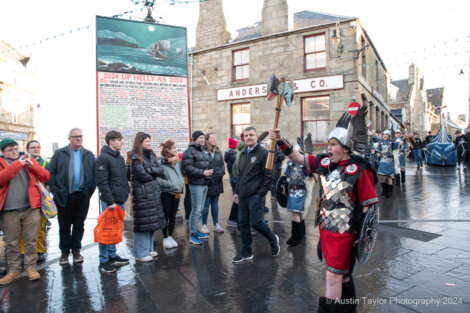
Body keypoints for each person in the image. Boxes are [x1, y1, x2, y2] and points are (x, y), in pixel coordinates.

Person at [269, 115, 378, 313]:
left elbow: (368, 208)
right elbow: (299, 158)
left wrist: (360, 240)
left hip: (345, 233)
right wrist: (280, 140)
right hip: (326, 229)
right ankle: (348, 309)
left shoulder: (360, 170)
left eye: (334, 144)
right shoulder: (325, 163)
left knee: (332, 276)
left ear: (345, 148)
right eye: (328, 144)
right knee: (342, 275)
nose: (328, 148)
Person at [0, 138, 50, 285]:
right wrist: (18, 164)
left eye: (15, 149)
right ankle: (14, 270)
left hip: (31, 208)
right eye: (10, 150)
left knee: (31, 240)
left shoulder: (28, 159)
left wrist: (32, 166)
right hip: (9, 210)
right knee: (12, 242)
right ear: (3, 152)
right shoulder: (3, 162)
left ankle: (31, 268)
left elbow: (46, 176)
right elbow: (1, 179)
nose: (14, 152)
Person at [232, 126, 280, 263]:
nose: (248, 138)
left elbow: (270, 175)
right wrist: (236, 192)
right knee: (242, 224)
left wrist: (261, 193)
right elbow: (240, 175)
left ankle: (273, 239)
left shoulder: (264, 153)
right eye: (246, 136)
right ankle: (247, 252)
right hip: (242, 195)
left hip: (256, 194)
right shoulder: (242, 154)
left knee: (257, 222)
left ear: (256, 136)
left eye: (251, 135)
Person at [49, 128, 96, 265]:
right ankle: (64, 252)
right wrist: (55, 191)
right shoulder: (59, 153)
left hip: (82, 195)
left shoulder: (88, 154)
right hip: (64, 196)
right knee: (64, 225)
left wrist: (89, 190)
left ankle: (76, 250)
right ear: (69, 138)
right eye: (75, 137)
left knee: (79, 225)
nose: (79, 139)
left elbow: (93, 175)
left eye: (81, 136)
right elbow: (51, 172)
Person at [95, 131, 130, 273]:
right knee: (106, 231)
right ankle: (103, 261)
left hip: (120, 199)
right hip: (110, 202)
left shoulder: (119, 158)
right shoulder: (103, 158)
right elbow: (102, 182)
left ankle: (112, 255)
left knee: (114, 230)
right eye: (118, 140)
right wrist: (110, 201)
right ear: (111, 141)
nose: (121, 142)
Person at [127, 132, 166, 262]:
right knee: (143, 224)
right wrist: (153, 172)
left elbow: (161, 170)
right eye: (147, 141)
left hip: (152, 193)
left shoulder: (150, 154)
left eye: (149, 141)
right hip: (142, 194)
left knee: (151, 223)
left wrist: (151, 170)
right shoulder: (135, 156)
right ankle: (140, 253)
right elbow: (142, 175)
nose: (149, 144)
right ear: (140, 142)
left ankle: (148, 249)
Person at [19, 140, 50, 262]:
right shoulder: (22, 162)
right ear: (28, 149)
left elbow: (48, 182)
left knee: (41, 227)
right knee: (23, 227)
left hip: (40, 200)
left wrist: (46, 197)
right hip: (24, 199)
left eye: (38, 147)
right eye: (33, 147)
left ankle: (40, 250)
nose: (36, 149)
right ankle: (23, 252)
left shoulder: (45, 164)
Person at [182, 131, 213, 245]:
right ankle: (192, 234)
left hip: (204, 183)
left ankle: (196, 230)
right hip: (196, 184)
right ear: (194, 139)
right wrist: (203, 172)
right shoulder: (189, 152)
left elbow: (208, 163)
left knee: (199, 209)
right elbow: (188, 168)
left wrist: (209, 171)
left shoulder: (203, 150)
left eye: (203, 138)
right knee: (196, 209)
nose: (202, 140)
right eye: (200, 138)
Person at [157, 140, 184, 249]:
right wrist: (168, 184)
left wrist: (180, 183)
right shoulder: (160, 162)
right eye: (173, 148)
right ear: (167, 149)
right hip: (166, 192)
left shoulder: (178, 162)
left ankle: (170, 236)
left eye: (175, 148)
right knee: (166, 215)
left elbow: (181, 174)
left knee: (173, 215)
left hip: (176, 191)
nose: (175, 150)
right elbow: (157, 179)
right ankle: (165, 237)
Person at [201, 133, 225, 234]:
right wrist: (208, 174)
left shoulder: (219, 152)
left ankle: (216, 224)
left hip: (217, 182)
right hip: (207, 183)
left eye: (215, 137)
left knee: (215, 204)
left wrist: (219, 172)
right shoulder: (203, 152)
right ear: (207, 140)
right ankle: (204, 225)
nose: (214, 139)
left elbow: (222, 166)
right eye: (212, 137)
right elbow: (202, 167)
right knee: (206, 205)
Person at [283, 153, 307, 247]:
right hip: (292, 190)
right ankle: (301, 232)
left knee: (296, 212)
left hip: (300, 190)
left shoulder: (305, 164)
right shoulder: (290, 164)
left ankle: (296, 237)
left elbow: (310, 176)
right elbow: (287, 177)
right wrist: (284, 188)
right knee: (297, 212)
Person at [376, 130, 395, 198]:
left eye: (386, 134)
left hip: (390, 160)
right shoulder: (380, 142)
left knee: (389, 176)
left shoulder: (392, 142)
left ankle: (390, 192)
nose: (385, 135)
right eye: (384, 134)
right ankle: (384, 190)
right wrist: (378, 153)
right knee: (380, 175)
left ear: (389, 136)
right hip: (382, 160)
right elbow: (378, 149)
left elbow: (396, 149)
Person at [224, 138, 238, 228]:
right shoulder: (234, 155)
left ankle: (233, 219)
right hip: (235, 179)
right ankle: (232, 219)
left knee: (236, 199)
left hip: (232, 178)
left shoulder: (228, 154)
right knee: (237, 200)